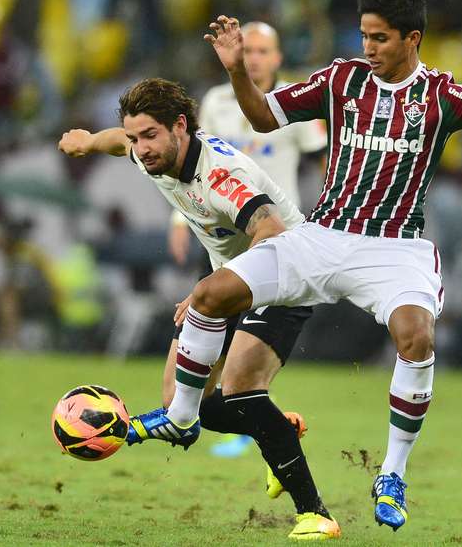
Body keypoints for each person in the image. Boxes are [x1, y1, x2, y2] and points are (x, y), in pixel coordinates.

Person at [128, 0, 462, 532]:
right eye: (364, 35)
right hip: (323, 236)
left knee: (416, 336)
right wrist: (234, 71)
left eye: (380, 38)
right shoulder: (342, 80)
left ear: (412, 38)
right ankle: (180, 418)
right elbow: (263, 116)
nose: (367, 47)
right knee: (209, 293)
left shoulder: (442, 96)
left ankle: (391, 472)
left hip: (394, 248)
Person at [57, 78, 341, 541]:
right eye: (135, 137)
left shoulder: (220, 176)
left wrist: (211, 287)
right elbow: (118, 143)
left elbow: (269, 231)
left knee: (241, 390)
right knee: (189, 404)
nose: (140, 148)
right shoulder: (153, 152)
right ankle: (275, 430)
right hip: (230, 282)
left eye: (149, 136)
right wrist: (89, 141)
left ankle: (316, 514)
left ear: (180, 127)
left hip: (287, 274)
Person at [166, 21, 327, 459]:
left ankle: (253, 421)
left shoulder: (294, 104)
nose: (253, 57)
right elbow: (188, 163)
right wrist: (180, 222)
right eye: (248, 49)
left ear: (277, 58)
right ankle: (260, 424)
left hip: (274, 240)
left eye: (262, 51)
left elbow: (323, 161)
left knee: (244, 366)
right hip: (222, 239)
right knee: (199, 373)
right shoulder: (218, 102)